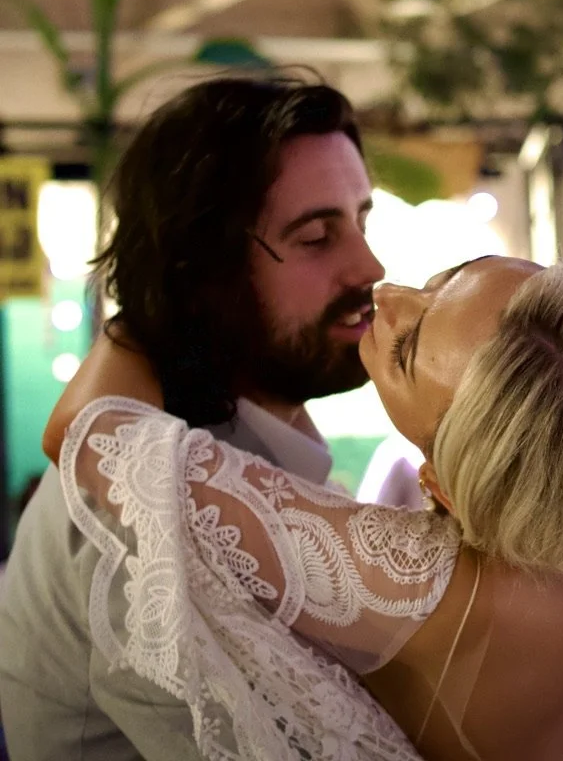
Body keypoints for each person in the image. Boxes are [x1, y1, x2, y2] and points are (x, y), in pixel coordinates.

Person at [44, 255, 563, 761]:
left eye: (405, 350)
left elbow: (88, 434)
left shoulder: (429, 585)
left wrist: (147, 301)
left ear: (441, 481)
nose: (388, 292)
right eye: (446, 277)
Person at [0, 74, 385, 761]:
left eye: (361, 221)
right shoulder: (140, 511)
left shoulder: (255, 454)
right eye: (316, 238)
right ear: (206, 274)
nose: (369, 266)